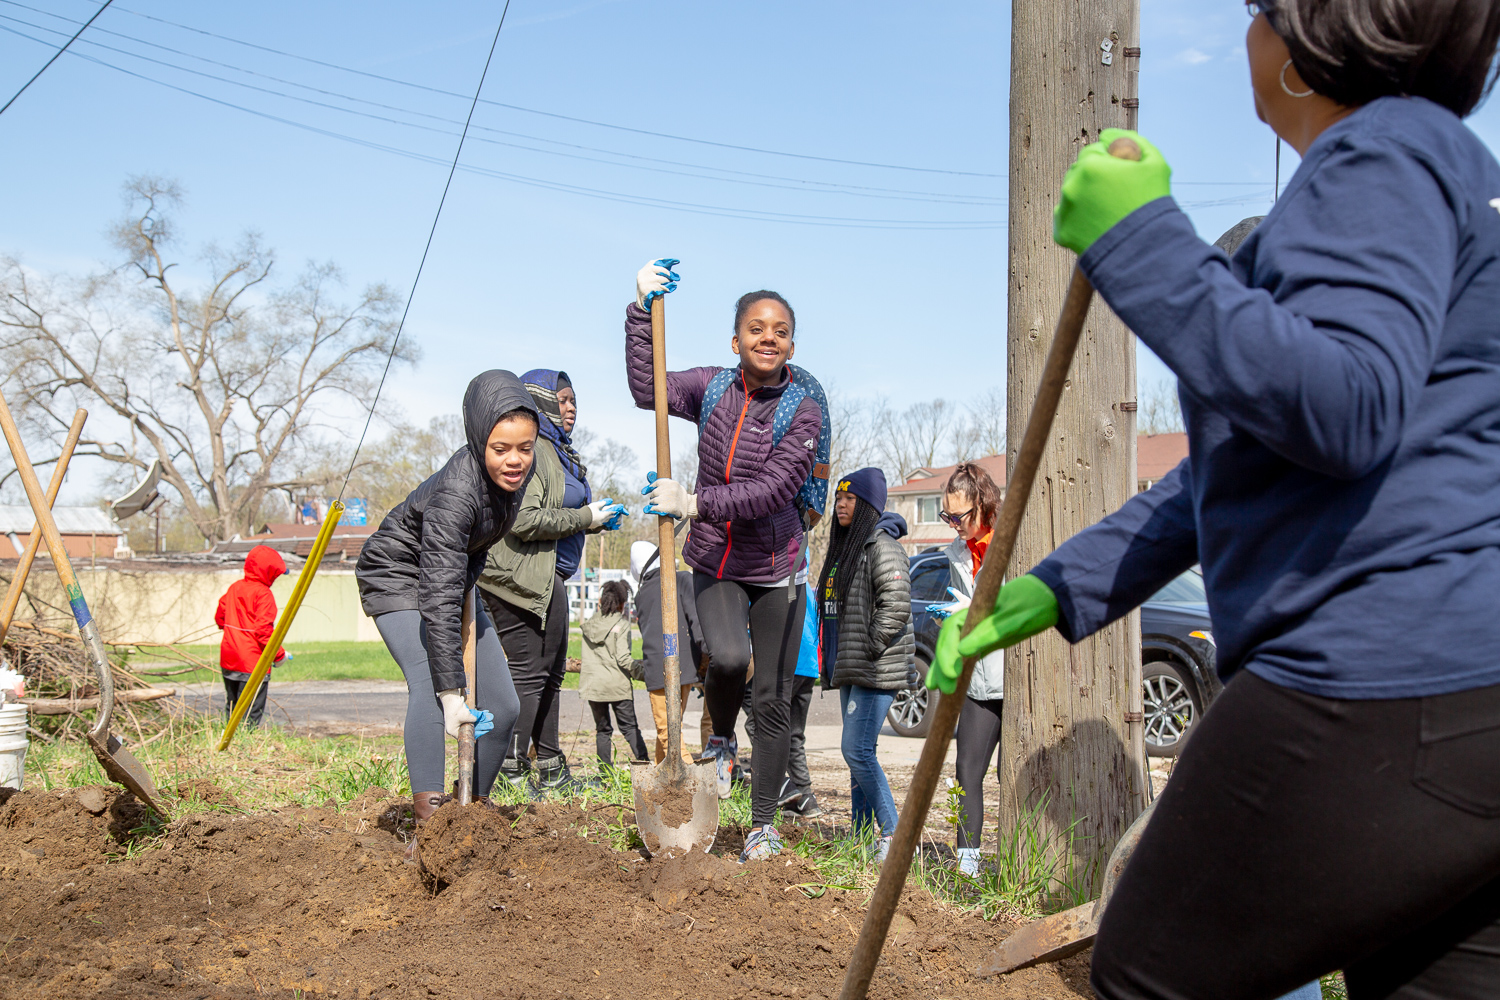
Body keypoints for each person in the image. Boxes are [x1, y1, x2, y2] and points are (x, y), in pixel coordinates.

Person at [930, 3, 1500, 996]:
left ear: (1310, 37)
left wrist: (1140, 238)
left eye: (1258, 11)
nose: (1248, 34)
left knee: (1150, 972)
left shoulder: (1384, 148)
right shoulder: (1444, 169)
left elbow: (1345, 403)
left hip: (1373, 687)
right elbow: (1242, 469)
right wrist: (1055, 589)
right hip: (1470, 705)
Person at [626, 262, 823, 862]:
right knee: (730, 657)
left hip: (777, 565)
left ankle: (762, 826)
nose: (769, 338)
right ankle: (718, 736)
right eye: (757, 329)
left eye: (781, 330)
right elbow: (647, 389)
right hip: (716, 558)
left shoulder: (803, 409)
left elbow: (774, 488)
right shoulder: (713, 388)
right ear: (735, 341)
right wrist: (639, 312)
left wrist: (691, 501)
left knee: (773, 698)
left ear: (791, 343)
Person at [355, 370, 530, 828]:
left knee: (505, 704)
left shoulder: (513, 480)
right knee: (432, 687)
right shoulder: (458, 492)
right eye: (501, 449)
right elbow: (435, 589)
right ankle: (431, 822)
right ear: (478, 441)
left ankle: (470, 815)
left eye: (524, 448)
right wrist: (453, 694)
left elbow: (461, 563)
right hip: (398, 574)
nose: (514, 460)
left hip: (452, 578)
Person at [478, 369, 624, 795]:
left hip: (550, 575)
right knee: (530, 674)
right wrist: (585, 517)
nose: (571, 407)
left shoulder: (558, 452)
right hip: (518, 578)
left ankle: (550, 765)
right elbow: (523, 519)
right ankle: (508, 767)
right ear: (539, 400)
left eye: (574, 399)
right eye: (561, 399)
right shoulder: (535, 449)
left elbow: (557, 514)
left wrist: (595, 522)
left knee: (552, 672)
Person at [816, 469, 913, 863]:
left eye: (850, 498)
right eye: (839, 498)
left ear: (869, 505)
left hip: (874, 667)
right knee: (860, 754)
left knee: (855, 750)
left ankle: (894, 835)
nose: (841, 504)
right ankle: (859, 840)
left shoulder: (882, 546)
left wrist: (870, 646)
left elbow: (897, 603)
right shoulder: (848, 549)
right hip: (851, 666)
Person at [932, 462, 1006, 878]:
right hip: (978, 680)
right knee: (966, 771)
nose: (953, 525)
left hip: (1017, 678)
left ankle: (1018, 863)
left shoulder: (1012, 541)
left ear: (983, 503)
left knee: (1011, 773)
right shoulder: (958, 552)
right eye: (947, 516)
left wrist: (970, 610)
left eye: (959, 516)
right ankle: (967, 866)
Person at [627, 539, 705, 764]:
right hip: (686, 665)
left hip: (657, 670)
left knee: (668, 733)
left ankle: (690, 788)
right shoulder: (683, 579)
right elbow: (696, 620)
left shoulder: (641, 595)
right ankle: (662, 773)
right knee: (672, 727)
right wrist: (707, 654)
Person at [214, 544, 289, 729]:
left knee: (232, 707)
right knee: (250, 714)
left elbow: (220, 618)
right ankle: (245, 745)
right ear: (269, 572)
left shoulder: (235, 588)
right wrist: (279, 656)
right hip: (252, 663)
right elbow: (263, 632)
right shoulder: (263, 594)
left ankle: (228, 742)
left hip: (229, 658)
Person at [579, 580, 647, 769]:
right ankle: (645, 766)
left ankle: (604, 774)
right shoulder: (622, 625)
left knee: (602, 730)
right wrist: (644, 675)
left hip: (594, 686)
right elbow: (624, 659)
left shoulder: (589, 624)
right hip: (617, 686)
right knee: (629, 728)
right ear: (621, 603)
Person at [775, 589, 824, 820]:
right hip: (809, 666)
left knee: (760, 725)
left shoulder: (777, 582)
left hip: (787, 664)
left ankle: (782, 786)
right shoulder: (809, 590)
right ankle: (806, 798)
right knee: (794, 734)